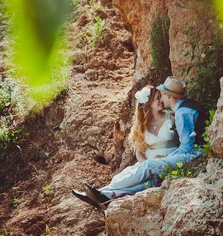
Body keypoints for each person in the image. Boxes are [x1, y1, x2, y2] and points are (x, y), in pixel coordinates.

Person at [74, 76, 203, 209]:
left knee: (149, 173)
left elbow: (187, 146)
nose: (161, 99)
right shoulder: (152, 121)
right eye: (157, 97)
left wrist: (165, 159)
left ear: (168, 96)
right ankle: (106, 194)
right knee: (132, 175)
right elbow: (139, 150)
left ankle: (102, 193)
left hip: (180, 157)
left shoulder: (177, 114)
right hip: (161, 160)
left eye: (161, 95)